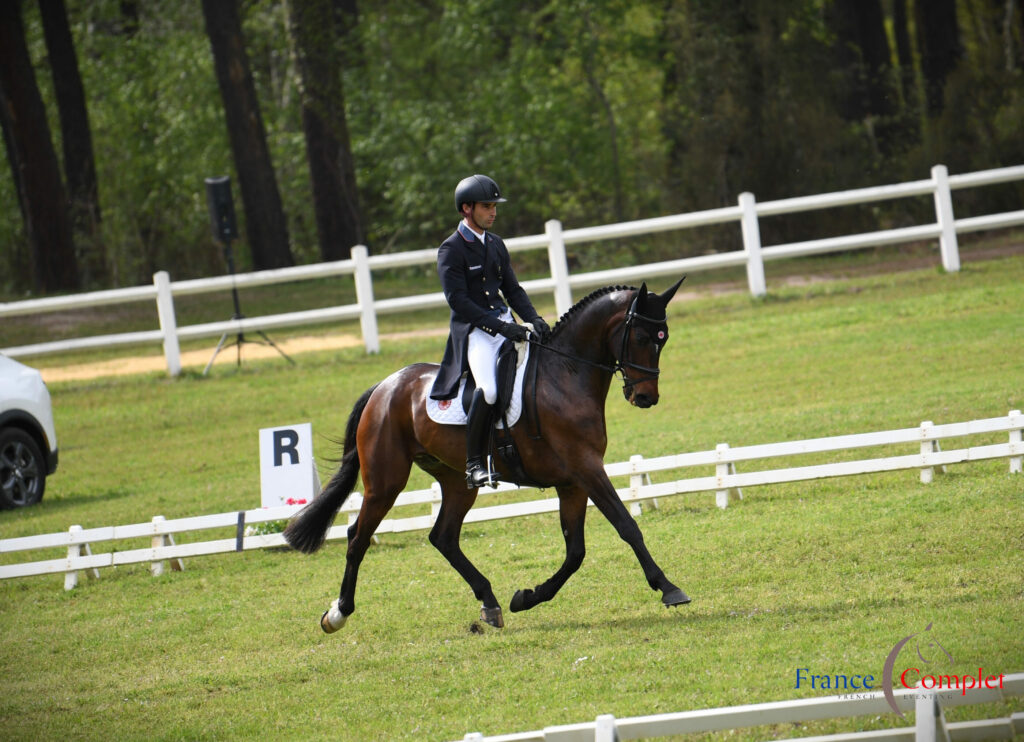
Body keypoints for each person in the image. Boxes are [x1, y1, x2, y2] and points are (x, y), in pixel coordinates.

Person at [430, 174, 551, 488]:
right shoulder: (451, 249)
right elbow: (458, 301)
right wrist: (500, 327)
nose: (493, 212)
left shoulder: (496, 244)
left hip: (506, 324)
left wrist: (533, 318)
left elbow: (512, 289)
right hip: (475, 332)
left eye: (495, 206)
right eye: (487, 206)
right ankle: (474, 465)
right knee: (490, 390)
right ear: (467, 208)